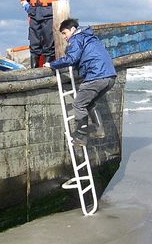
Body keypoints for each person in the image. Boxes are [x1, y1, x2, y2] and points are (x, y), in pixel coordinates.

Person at [45, 18, 116, 147]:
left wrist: (52, 64)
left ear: (73, 29)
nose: (65, 37)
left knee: (78, 104)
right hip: (110, 77)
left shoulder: (76, 39)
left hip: (97, 76)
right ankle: (99, 130)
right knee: (89, 103)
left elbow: (72, 58)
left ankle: (81, 136)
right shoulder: (91, 38)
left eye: (65, 33)